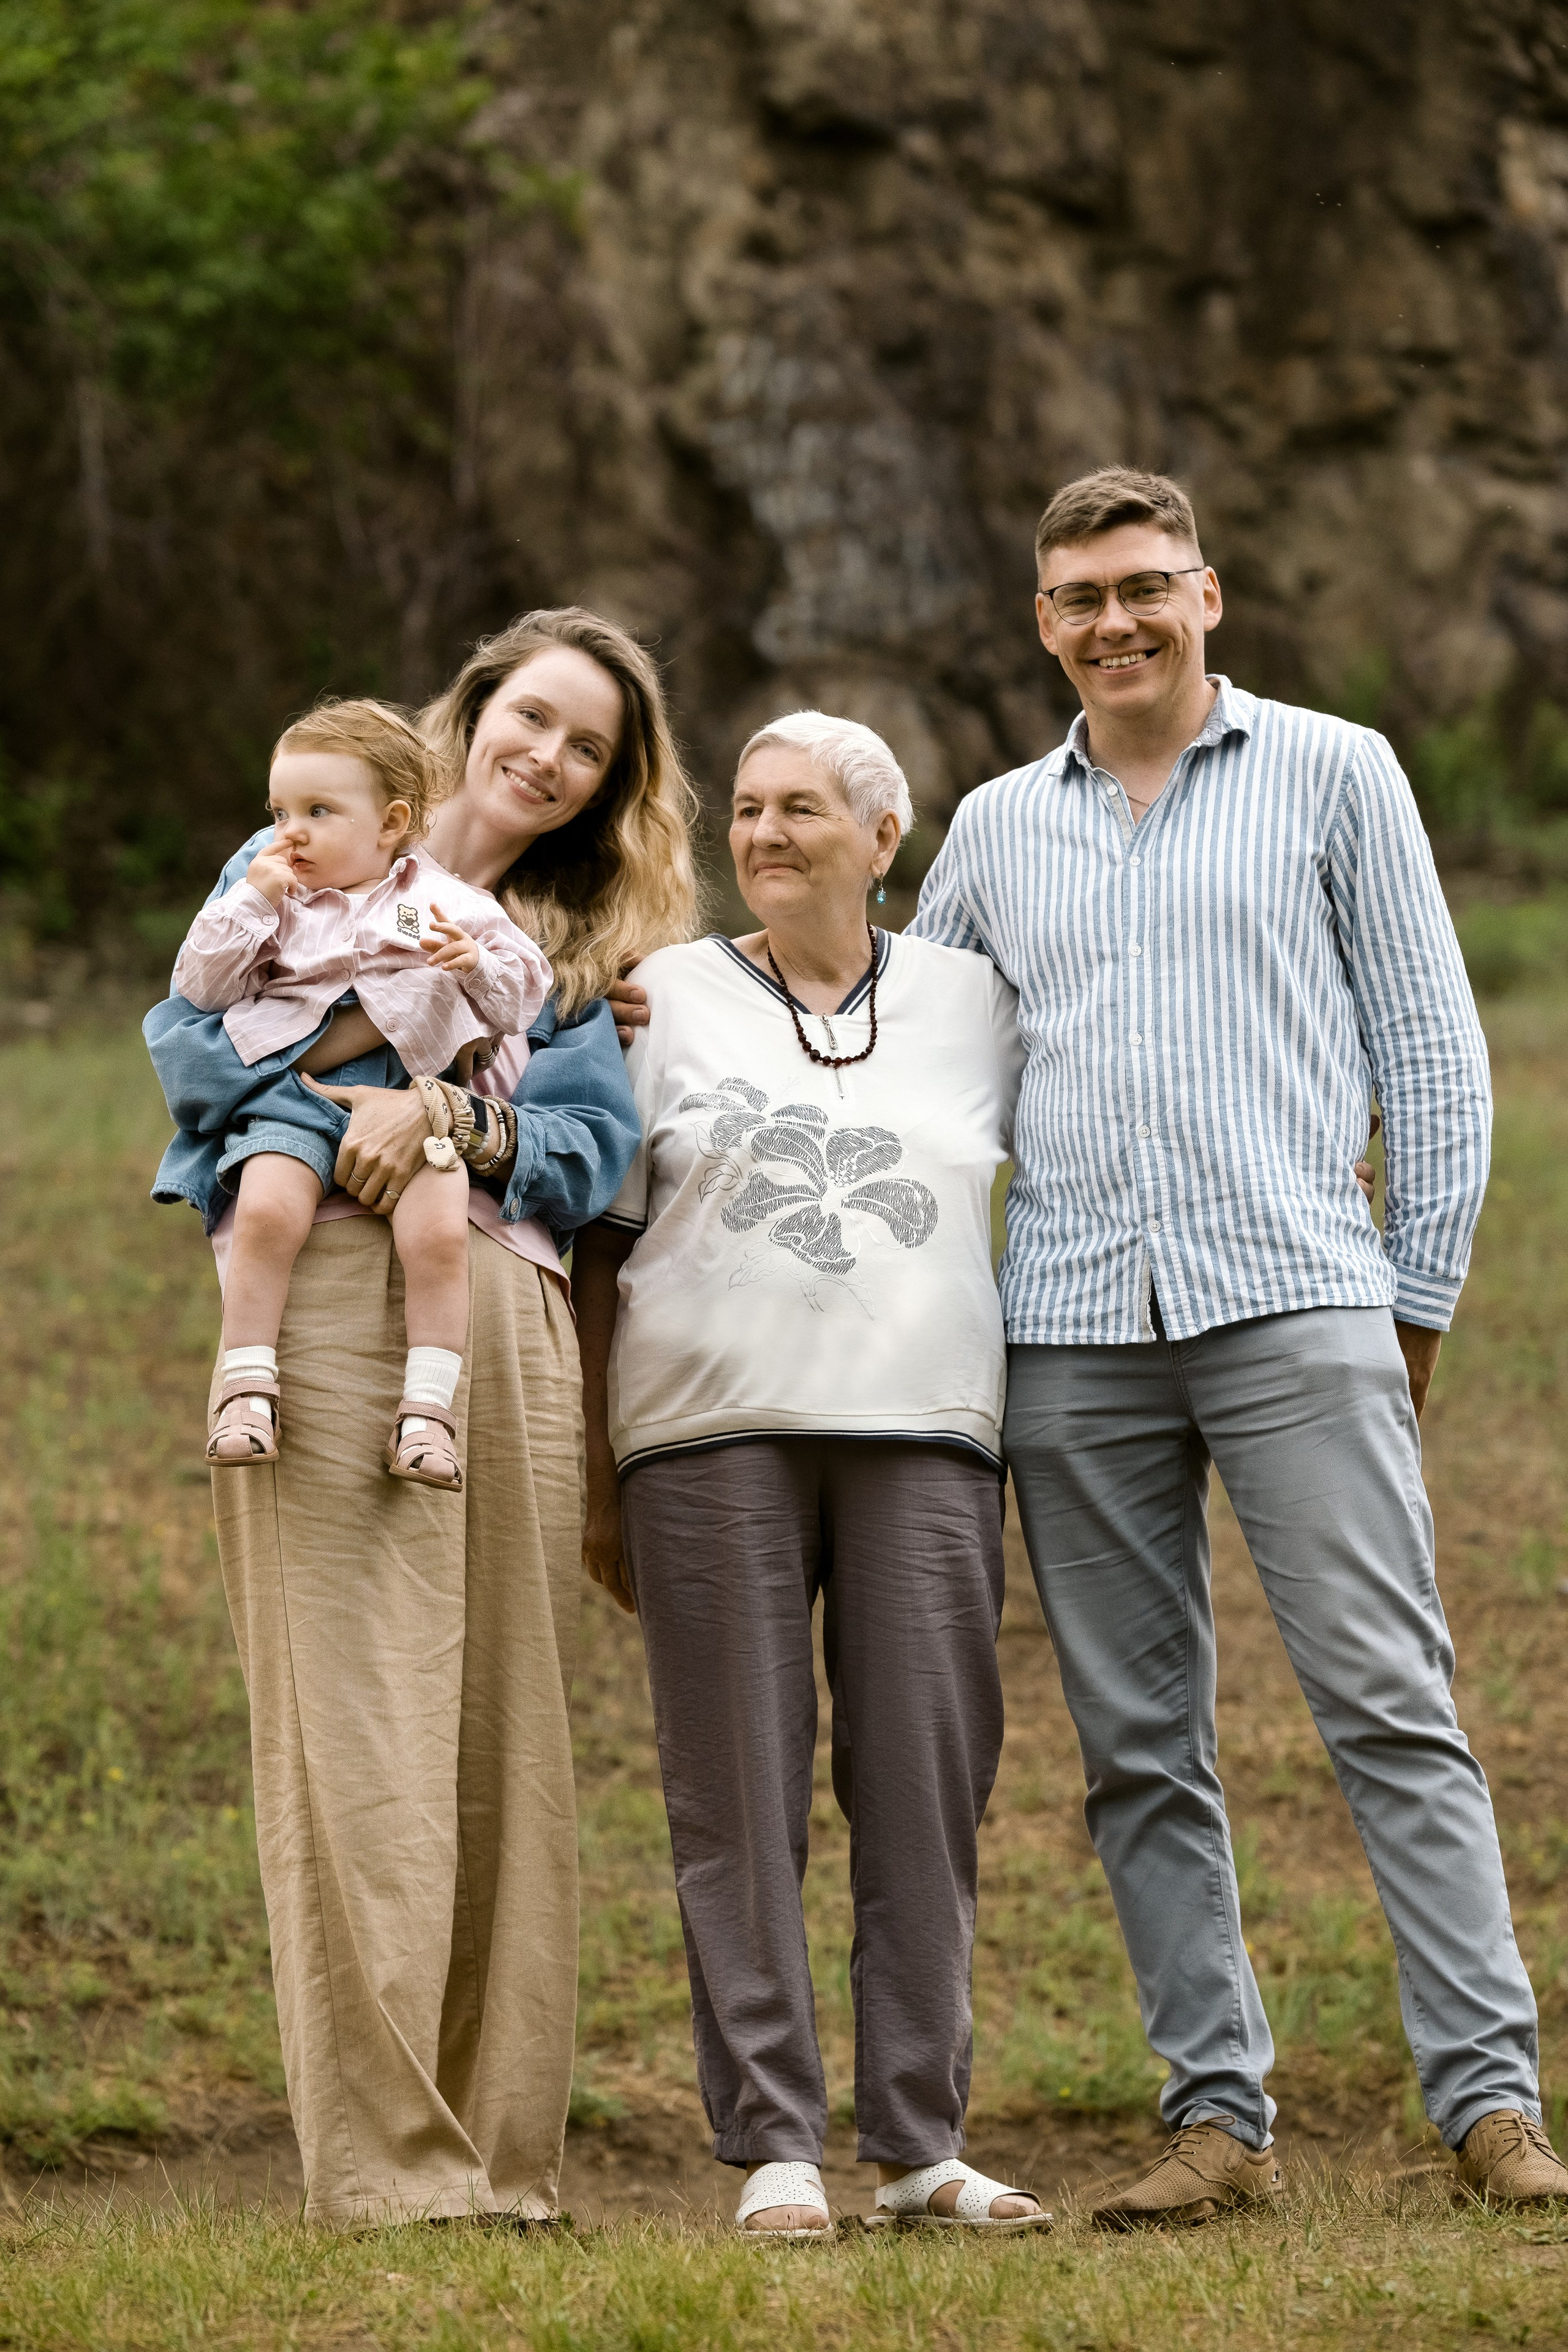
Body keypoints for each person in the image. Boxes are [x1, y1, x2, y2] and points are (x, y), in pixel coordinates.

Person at [901, 466, 1564, 2220]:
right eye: (1078, 598)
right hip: (1070, 1333)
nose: (1113, 621)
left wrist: (1408, 1305)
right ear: (1044, 625)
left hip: (1298, 1298)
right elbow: (908, 1068)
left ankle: (1494, 2108)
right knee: (1140, 1748)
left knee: (1391, 1711)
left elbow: (1431, 1057)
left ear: (1210, 595)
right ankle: (1218, 2118)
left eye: (1144, 586)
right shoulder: (988, 830)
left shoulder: (1337, 773)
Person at [146, 608, 696, 2227]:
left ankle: (505, 2163)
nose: (547, 755)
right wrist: (342, 1108)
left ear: (606, 786)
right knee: (354, 1726)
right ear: (469, 712)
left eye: (588, 747)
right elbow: (188, 1045)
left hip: (506, 1324)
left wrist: (453, 1112)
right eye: (531, 715)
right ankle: (390, 2168)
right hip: (313, 1289)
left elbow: (596, 1149)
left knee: (503, 1743)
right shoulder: (303, 843)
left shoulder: (576, 946)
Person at [576, 711, 1052, 2238]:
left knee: (923, 1785)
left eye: (800, 811)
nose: (765, 836)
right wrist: (597, 1466)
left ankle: (920, 2146)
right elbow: (597, 1239)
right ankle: (775, 2144)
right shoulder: (656, 1001)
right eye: (748, 813)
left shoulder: (979, 1002)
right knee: (737, 1795)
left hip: (925, 1433)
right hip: (704, 1434)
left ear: (878, 838)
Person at [169, 698, 552, 1488]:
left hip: (416, 1098)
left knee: (440, 1236)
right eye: (278, 810)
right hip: (297, 1093)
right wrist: (251, 903)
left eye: (318, 811)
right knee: (268, 1210)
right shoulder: (277, 903)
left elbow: (524, 998)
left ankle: (428, 1415)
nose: (290, 832)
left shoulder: (443, 901)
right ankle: (245, 1388)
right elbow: (199, 992)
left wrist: (473, 963)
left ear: (391, 822)